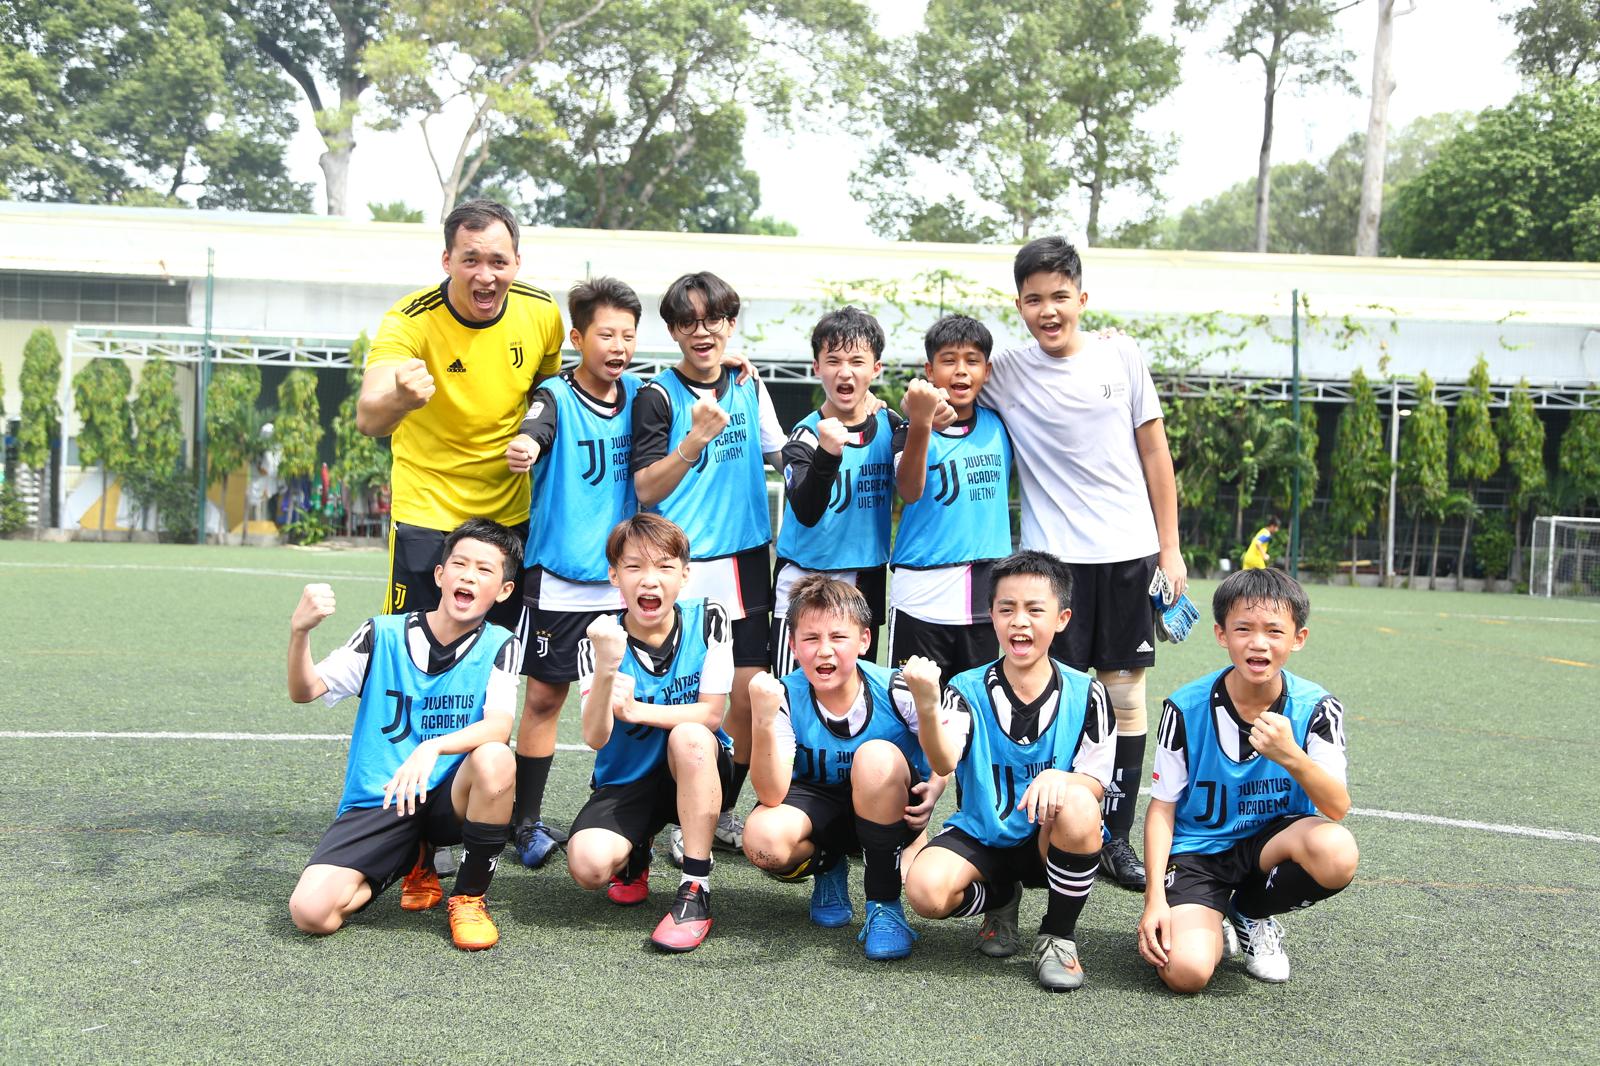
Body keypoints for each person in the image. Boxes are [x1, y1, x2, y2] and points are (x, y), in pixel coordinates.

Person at [979, 236, 1185, 891]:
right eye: (1034, 299)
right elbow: (947, 378)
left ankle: (1114, 839)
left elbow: (1155, 455)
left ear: (1082, 299)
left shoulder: (1121, 354)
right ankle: (1046, 826)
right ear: (1019, 305)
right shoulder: (1005, 371)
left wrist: (1170, 549)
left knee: (1123, 702)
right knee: (1055, 701)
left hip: (1127, 556)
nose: (1048, 310)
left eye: (1060, 297)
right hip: (1052, 569)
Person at [285, 518, 522, 951]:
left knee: (496, 758)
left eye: (485, 569)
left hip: (449, 797)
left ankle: (469, 898)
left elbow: (499, 726)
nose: (468, 575)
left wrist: (433, 746)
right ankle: (407, 859)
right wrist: (300, 632)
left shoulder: (501, 644)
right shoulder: (382, 634)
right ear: (440, 574)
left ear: (504, 590)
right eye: (460, 564)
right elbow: (305, 691)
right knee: (311, 914)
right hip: (383, 798)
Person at [902, 550, 1114, 991]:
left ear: (1062, 618)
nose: (1020, 621)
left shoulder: (1088, 693)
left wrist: (1063, 779)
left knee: (1078, 805)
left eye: (1035, 609)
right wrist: (926, 703)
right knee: (924, 891)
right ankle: (1000, 898)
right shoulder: (965, 688)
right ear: (992, 616)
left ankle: (1058, 935)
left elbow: (1095, 783)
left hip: (1046, 837)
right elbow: (944, 762)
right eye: (1007, 609)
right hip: (983, 833)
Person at [1137, 568, 1357, 991]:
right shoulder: (1185, 707)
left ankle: (1249, 911)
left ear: (1298, 638)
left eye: (1274, 631)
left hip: (1271, 846)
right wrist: (1155, 900)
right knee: (1187, 973)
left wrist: (1291, 755)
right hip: (1200, 854)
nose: (1259, 643)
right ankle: (1206, 918)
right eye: (1244, 628)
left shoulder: (1317, 708)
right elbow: (1162, 807)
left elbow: (1336, 807)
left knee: (1337, 852)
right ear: (1221, 634)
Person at [631, 271, 786, 861]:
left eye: (714, 320)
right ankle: (670, 813)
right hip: (681, 567)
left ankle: (720, 809)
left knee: (745, 698)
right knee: (683, 696)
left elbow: (779, 455)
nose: (703, 332)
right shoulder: (658, 395)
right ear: (672, 331)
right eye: (688, 322)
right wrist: (693, 441)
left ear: (730, 324)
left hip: (745, 560)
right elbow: (646, 488)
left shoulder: (749, 383)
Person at [358, 199, 563, 636]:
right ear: (447, 260)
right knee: (409, 649)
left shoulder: (542, 313)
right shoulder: (409, 321)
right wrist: (400, 396)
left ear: (517, 262)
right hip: (428, 513)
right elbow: (369, 418)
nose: (485, 275)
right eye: (470, 259)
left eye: (498, 261)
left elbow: (549, 396)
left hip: (507, 516)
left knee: (494, 660)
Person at [500, 277, 645, 870]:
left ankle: (612, 813)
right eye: (606, 334)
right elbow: (536, 426)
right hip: (557, 577)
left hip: (621, 582)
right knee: (543, 698)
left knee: (625, 700)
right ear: (578, 337)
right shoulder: (554, 395)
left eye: (628, 336)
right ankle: (525, 822)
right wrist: (527, 449)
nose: (618, 347)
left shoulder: (642, 394)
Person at [741, 576, 944, 960]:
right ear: (792, 644)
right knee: (763, 839)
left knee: (875, 757)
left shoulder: (896, 688)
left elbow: (948, 748)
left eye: (838, 637)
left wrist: (935, 784)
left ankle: (884, 906)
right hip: (820, 809)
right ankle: (829, 865)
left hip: (890, 806)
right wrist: (763, 721)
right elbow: (771, 794)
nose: (824, 651)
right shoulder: (783, 693)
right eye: (811, 638)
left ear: (865, 641)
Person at [564, 514, 733, 953]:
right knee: (587, 866)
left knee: (691, 737)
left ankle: (695, 888)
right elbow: (596, 737)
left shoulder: (709, 618)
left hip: (698, 767)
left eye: (663, 566)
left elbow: (712, 715)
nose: (649, 580)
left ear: (684, 574)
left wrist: (637, 709)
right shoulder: (598, 639)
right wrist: (605, 671)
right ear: (614, 575)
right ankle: (636, 849)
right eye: (634, 566)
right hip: (629, 780)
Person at [771, 307, 900, 676]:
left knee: (856, 694)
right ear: (816, 367)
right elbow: (807, 510)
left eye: (857, 361)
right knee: (790, 694)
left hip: (864, 579)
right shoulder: (806, 435)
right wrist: (828, 453)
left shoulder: (890, 426)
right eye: (834, 361)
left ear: (876, 369)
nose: (845, 371)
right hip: (804, 580)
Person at [891, 314, 1014, 685]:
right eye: (948, 360)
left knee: (972, 710)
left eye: (972, 361)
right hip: (921, 595)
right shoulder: (907, 429)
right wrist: (921, 424)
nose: (961, 371)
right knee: (911, 707)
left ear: (987, 370)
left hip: (983, 598)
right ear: (930, 370)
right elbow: (909, 491)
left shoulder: (1001, 424)